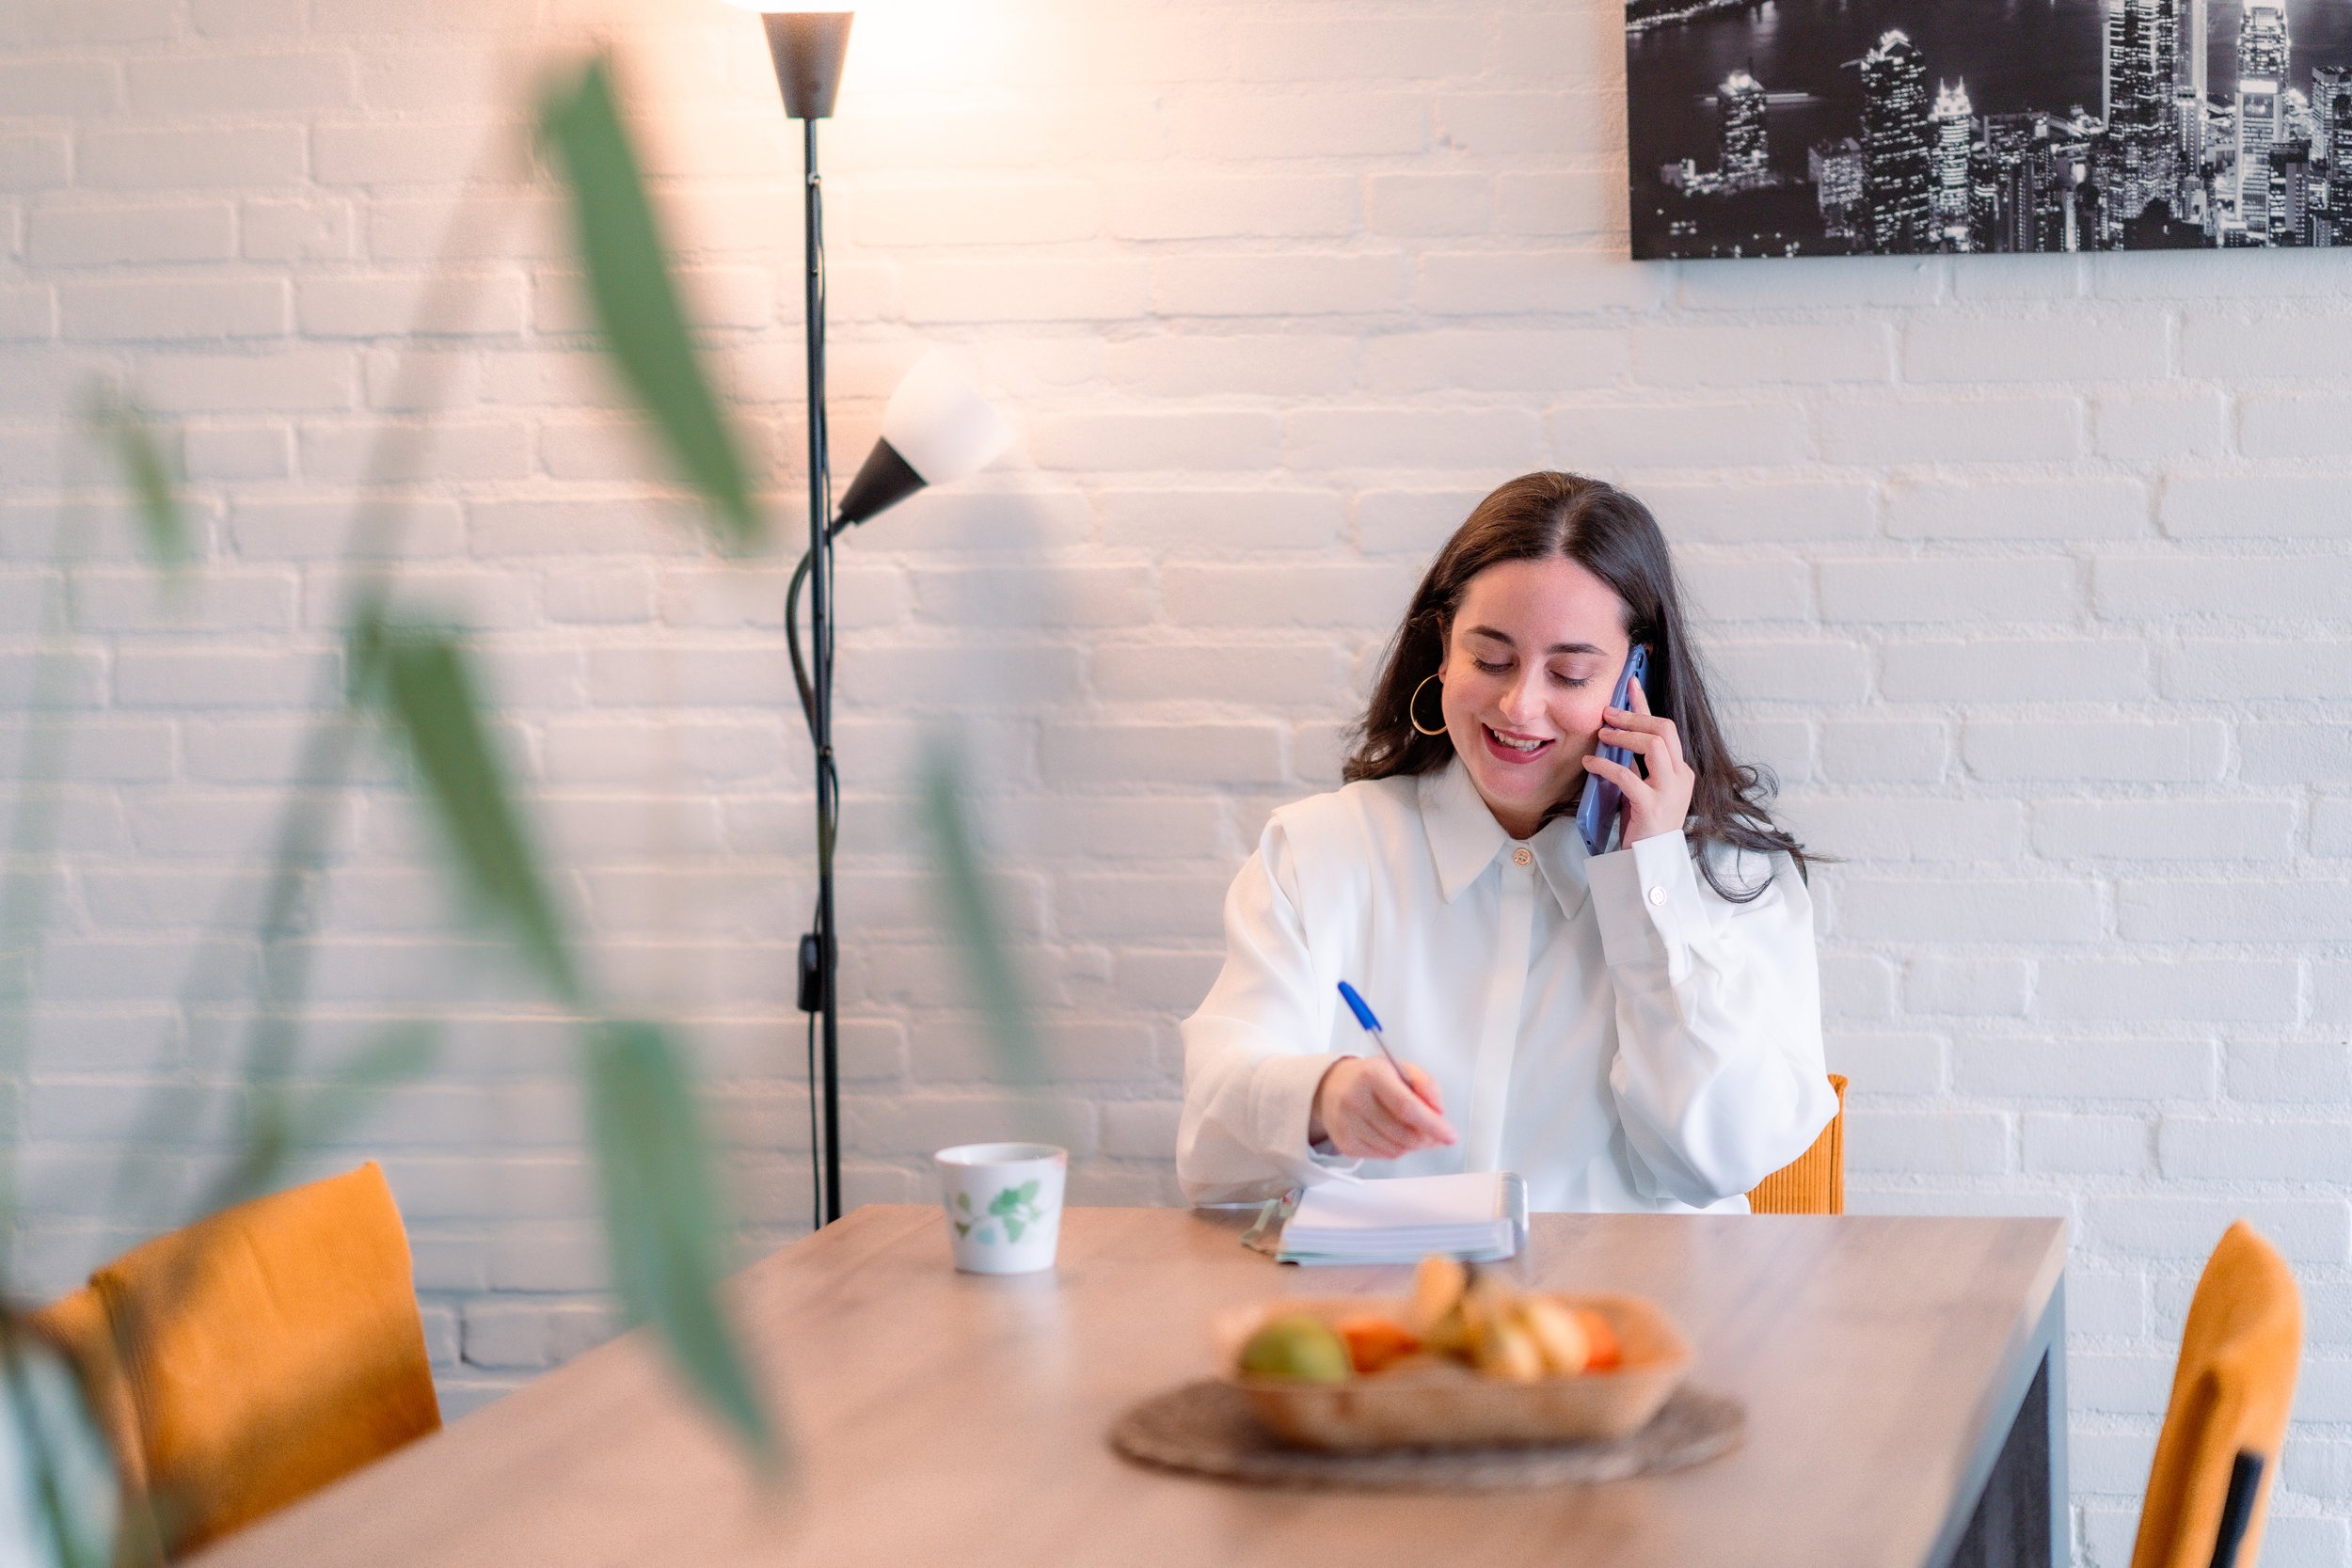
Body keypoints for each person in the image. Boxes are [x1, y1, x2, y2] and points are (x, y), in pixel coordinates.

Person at [1176, 472, 1837, 1212]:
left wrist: (1652, 885)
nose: (1520, 705)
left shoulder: (1732, 877)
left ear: (1635, 680)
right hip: (1390, 1313)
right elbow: (1209, 1147)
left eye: (1571, 672)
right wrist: (1320, 1101)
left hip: (1634, 1316)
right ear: (1443, 651)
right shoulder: (1320, 850)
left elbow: (1724, 1157)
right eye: (1490, 659)